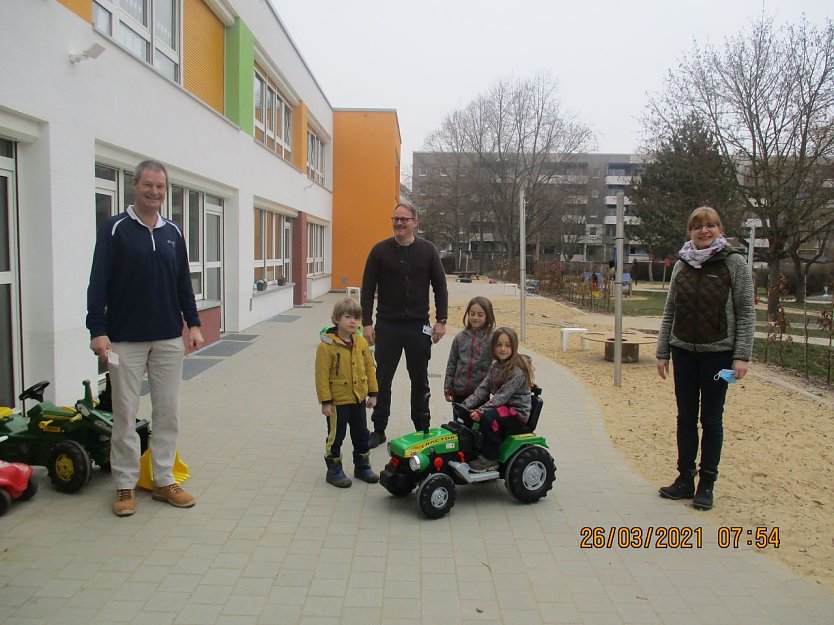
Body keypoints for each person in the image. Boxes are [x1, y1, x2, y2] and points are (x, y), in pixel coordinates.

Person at [87, 159, 204, 517]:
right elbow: (98, 283)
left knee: (168, 413)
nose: (155, 192)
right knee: (124, 414)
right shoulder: (115, 229)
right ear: (134, 186)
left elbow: (184, 283)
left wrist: (193, 324)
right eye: (148, 185)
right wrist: (98, 331)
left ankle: (164, 480)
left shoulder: (173, 232)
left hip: (168, 338)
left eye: (160, 187)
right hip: (124, 340)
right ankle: (124, 486)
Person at [655, 206, 755, 511]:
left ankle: (707, 483)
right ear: (690, 231)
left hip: (718, 354)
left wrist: (741, 356)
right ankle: (685, 477)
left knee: (710, 419)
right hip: (683, 351)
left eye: (711, 226)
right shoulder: (682, 265)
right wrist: (663, 351)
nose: (705, 231)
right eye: (698, 226)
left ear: (719, 229)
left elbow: (747, 311)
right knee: (685, 417)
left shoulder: (734, 263)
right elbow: (670, 310)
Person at [361, 202, 449, 447]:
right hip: (387, 326)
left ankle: (422, 428)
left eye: (404, 219)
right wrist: (367, 323)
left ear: (415, 222)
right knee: (382, 379)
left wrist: (441, 321)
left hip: (418, 327)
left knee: (419, 379)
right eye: (395, 219)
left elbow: (440, 286)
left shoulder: (428, 251)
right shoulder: (379, 251)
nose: (399, 223)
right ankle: (378, 429)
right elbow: (367, 289)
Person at [315, 298, 379, 488]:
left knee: (361, 435)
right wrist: (325, 402)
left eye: (357, 318)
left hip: (358, 399)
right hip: (337, 402)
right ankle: (334, 470)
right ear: (335, 319)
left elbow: (369, 367)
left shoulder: (360, 342)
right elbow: (321, 375)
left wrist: (373, 393)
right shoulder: (327, 346)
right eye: (348, 317)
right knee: (336, 436)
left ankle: (362, 466)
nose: (353, 322)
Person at [461, 327, 535, 471]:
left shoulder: (517, 372)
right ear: (493, 347)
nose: (503, 349)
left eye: (508, 346)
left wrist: (481, 412)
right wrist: (465, 405)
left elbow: (501, 396)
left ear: (514, 347)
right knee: (472, 414)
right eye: (499, 345)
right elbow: (483, 389)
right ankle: (474, 449)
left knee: (489, 417)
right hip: (504, 407)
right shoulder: (496, 367)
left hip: (516, 412)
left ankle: (490, 458)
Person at [444, 296, 496, 411]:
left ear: (488, 316)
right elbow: (451, 364)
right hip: (459, 393)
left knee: (477, 427)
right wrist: (448, 387)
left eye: (480, 315)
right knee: (458, 425)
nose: (475, 317)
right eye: (472, 314)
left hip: (480, 395)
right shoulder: (460, 338)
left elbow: (500, 363)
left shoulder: (492, 339)